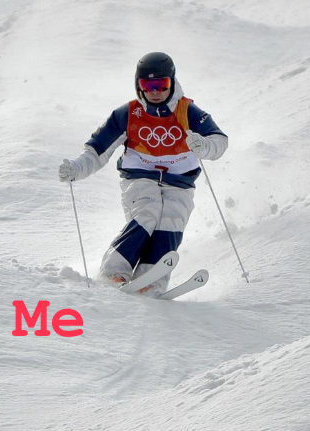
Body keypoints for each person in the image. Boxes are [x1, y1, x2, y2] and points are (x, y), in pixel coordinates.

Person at [58, 52, 228, 297]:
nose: (155, 92)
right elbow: (97, 151)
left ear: (172, 82)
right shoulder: (128, 114)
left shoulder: (187, 111)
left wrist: (205, 145)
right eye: (148, 85)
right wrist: (76, 168)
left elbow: (219, 141)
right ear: (138, 85)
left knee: (171, 219)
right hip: (139, 178)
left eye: (162, 84)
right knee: (148, 211)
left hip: (180, 183)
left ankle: (151, 281)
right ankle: (114, 272)